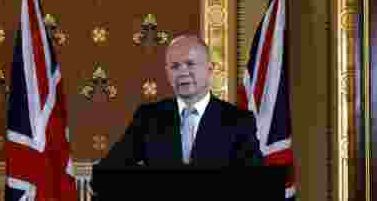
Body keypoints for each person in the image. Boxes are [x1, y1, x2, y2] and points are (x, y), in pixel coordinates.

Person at [93, 33, 262, 174]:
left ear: (210, 69)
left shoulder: (239, 121)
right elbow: (107, 171)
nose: (182, 72)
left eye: (190, 64)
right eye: (175, 66)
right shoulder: (147, 118)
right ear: (167, 73)